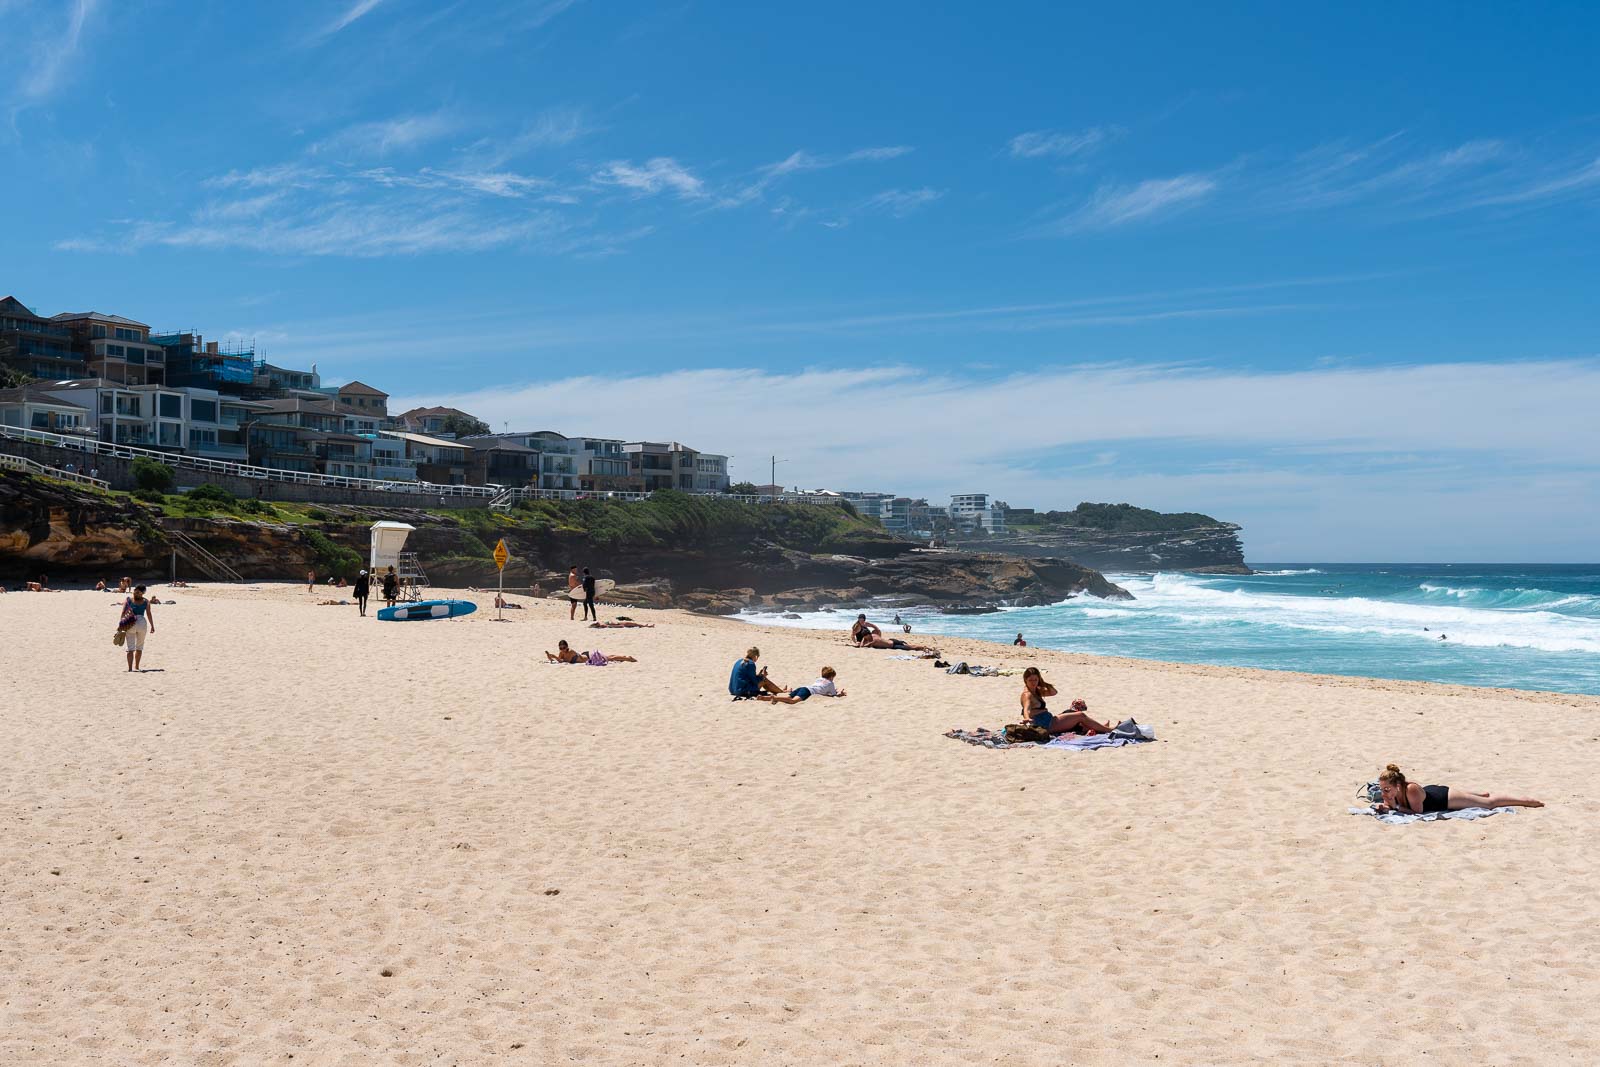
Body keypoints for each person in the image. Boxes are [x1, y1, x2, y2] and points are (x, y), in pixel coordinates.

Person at [1376, 764, 1543, 814]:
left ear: (1398, 786)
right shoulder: (1390, 791)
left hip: (1444, 798)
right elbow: (1390, 804)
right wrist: (1385, 806)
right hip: (1429, 793)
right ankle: (1476, 793)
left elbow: (1417, 812)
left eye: (1387, 789)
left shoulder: (1410, 789)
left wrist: (1395, 806)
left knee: (1489, 803)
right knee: (1475, 796)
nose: (1383, 793)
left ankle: (1525, 801)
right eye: (1382, 789)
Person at [1019, 667, 1112, 735]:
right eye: (1030, 680)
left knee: (1071, 713)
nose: (1033, 682)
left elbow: (1053, 692)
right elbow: (1026, 709)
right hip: (1047, 725)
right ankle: (1108, 730)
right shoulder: (1027, 694)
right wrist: (1026, 718)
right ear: (1025, 680)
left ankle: (1102, 728)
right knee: (1080, 715)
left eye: (1035, 680)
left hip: (1049, 720)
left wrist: (1042, 683)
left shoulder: (1035, 690)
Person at [758, 666, 846, 704]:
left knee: (788, 697)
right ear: (831, 677)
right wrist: (840, 693)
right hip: (808, 691)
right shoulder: (831, 683)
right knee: (792, 701)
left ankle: (767, 698)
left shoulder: (819, 679)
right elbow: (834, 695)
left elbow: (822, 689)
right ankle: (773, 698)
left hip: (804, 687)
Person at [121, 584, 156, 672]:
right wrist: (152, 625)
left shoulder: (128, 600)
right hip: (142, 623)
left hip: (130, 622)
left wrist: (121, 625)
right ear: (143, 593)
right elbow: (148, 614)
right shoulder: (146, 601)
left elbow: (123, 613)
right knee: (139, 646)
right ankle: (136, 666)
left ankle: (130, 669)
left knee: (130, 648)